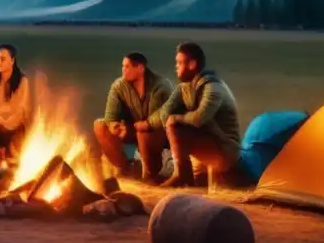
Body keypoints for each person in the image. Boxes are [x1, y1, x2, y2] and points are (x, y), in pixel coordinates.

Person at [145, 41, 241, 188]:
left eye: (179, 62)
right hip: (206, 144)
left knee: (175, 124)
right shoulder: (185, 87)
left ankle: (181, 175)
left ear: (192, 64)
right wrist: (145, 124)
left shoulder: (213, 87)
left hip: (224, 149)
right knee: (167, 123)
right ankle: (180, 174)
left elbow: (199, 118)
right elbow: (164, 111)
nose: (176, 66)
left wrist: (176, 119)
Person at [92, 52, 173, 182]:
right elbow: (110, 116)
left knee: (144, 132)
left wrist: (133, 128)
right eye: (123, 66)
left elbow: (157, 119)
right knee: (100, 125)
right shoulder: (119, 86)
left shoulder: (161, 86)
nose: (123, 69)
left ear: (141, 68)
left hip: (159, 134)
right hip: (133, 130)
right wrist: (114, 126)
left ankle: (150, 173)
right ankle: (125, 167)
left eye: (128, 66)